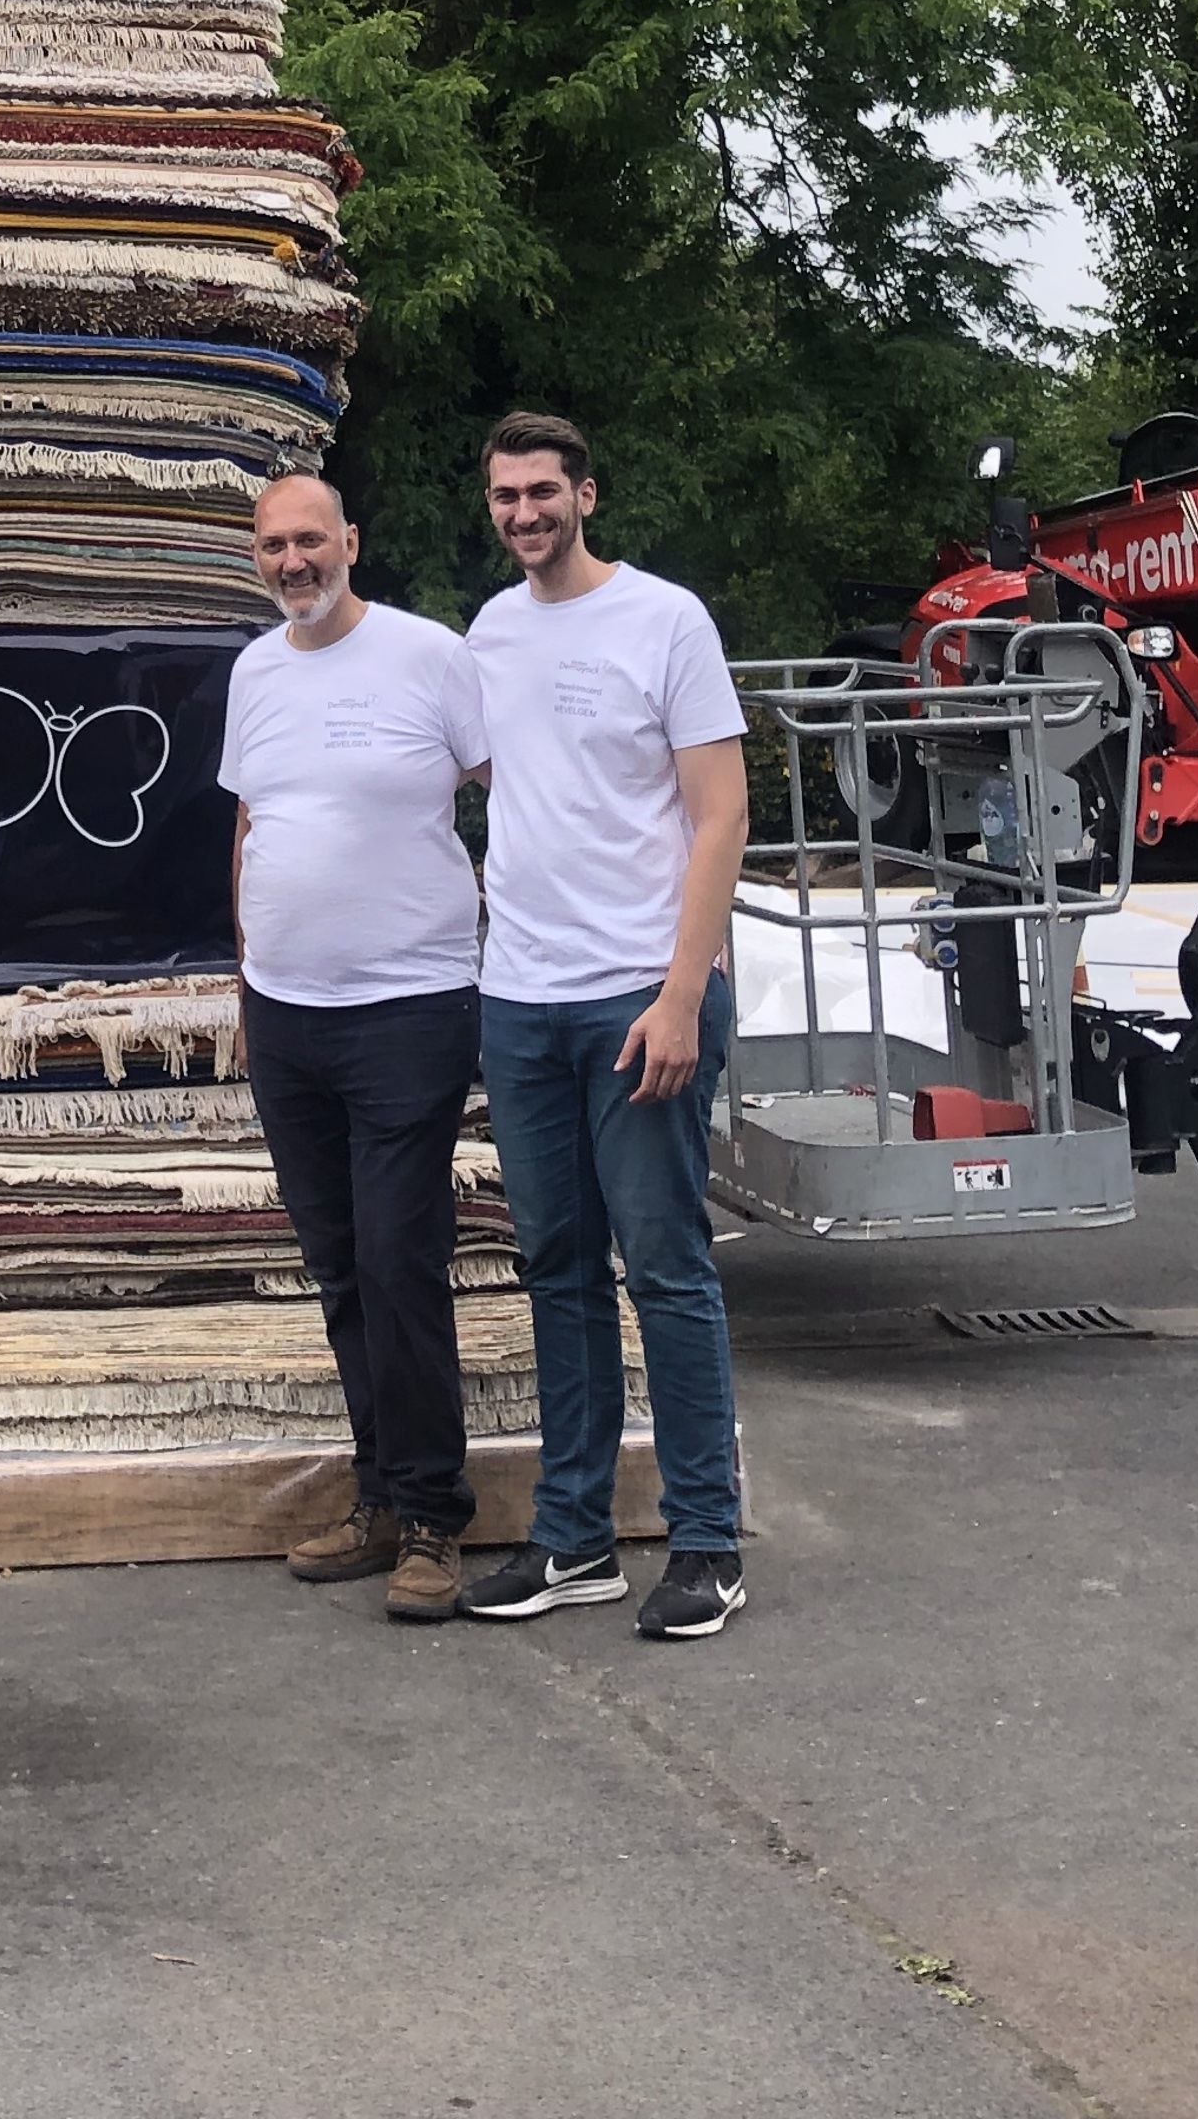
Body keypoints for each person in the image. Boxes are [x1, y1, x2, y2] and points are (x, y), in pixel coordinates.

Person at [456, 410, 752, 1641]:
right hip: (520, 999)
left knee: (668, 1270)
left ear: (589, 492)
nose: (524, 512)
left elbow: (721, 813)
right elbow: (490, 778)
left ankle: (708, 1545)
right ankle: (574, 1542)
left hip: (642, 997)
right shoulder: (490, 631)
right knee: (559, 1275)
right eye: (505, 496)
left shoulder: (666, 620)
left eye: (543, 490)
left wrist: (682, 993)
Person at [221, 469, 489, 1623]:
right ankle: (379, 1494)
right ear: (258, 557)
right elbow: (251, 822)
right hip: (286, 1016)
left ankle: (434, 1516)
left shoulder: (431, 656)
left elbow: (516, 794)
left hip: (412, 1007)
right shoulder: (253, 669)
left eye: (311, 541)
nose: (295, 563)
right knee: (337, 1266)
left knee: (396, 1259)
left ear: (352, 543)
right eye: (276, 546)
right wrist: (247, 970)